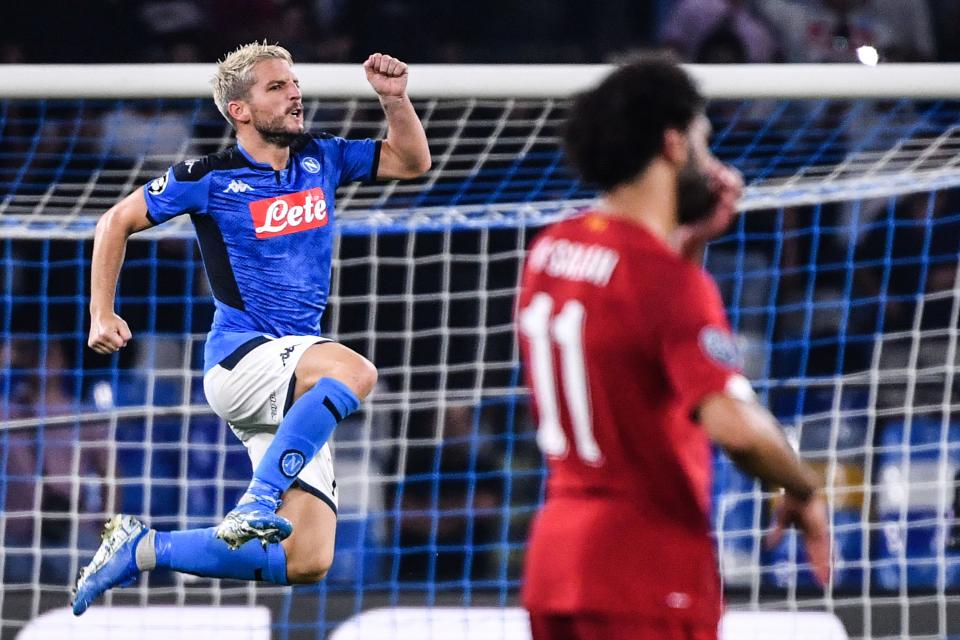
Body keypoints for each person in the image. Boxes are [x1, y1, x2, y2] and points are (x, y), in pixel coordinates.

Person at [72, 42, 430, 615]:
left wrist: (395, 100)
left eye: (294, 84)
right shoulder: (209, 178)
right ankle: (256, 498)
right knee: (355, 371)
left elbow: (412, 162)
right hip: (242, 359)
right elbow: (115, 220)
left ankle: (145, 549)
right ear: (240, 109)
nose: (295, 94)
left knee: (308, 557)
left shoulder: (322, 157)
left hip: (292, 376)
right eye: (277, 87)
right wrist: (101, 311)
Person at [516, 54, 830, 640]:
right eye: (704, 142)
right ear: (673, 144)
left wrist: (685, 242)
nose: (712, 163)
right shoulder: (671, 284)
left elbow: (631, 331)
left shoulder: (549, 250)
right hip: (647, 570)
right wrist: (803, 484)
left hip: (558, 563)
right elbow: (734, 428)